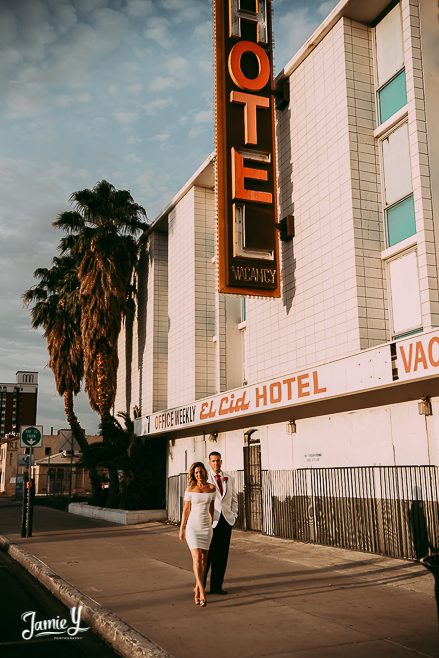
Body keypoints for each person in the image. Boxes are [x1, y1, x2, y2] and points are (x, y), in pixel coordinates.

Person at [179, 462, 216, 607]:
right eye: (196, 473)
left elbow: (212, 508)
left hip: (206, 527)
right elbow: (186, 510)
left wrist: (212, 524)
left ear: (205, 472)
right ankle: (202, 591)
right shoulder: (190, 489)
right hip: (192, 527)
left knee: (204, 560)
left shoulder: (211, 488)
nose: (199, 475)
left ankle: (196, 590)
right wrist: (182, 528)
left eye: (201, 472)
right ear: (193, 475)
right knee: (196, 559)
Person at [205, 451, 238, 595]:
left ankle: (216, 587)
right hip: (211, 522)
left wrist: (234, 515)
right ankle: (200, 586)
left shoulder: (229, 478)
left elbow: (234, 498)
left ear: (221, 462)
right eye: (213, 461)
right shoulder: (205, 479)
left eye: (218, 460)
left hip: (226, 521)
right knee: (207, 556)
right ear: (209, 463)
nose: (216, 463)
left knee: (222, 556)